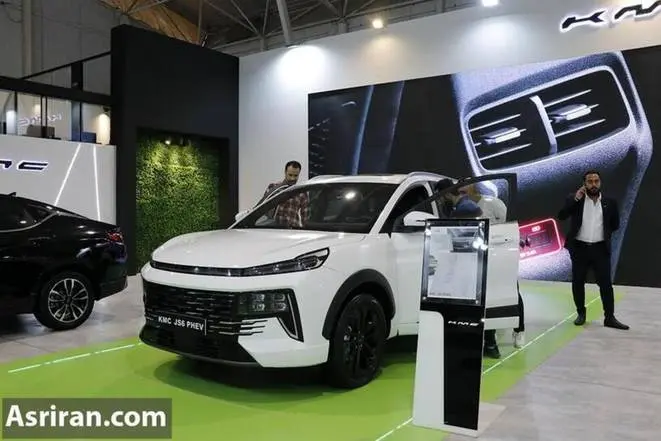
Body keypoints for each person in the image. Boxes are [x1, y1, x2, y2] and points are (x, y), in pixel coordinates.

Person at [557, 170, 628, 330]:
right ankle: (581, 314)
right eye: (590, 181)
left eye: (596, 181)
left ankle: (609, 317)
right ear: (584, 184)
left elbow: (615, 224)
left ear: (600, 183)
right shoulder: (575, 199)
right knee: (578, 283)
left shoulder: (610, 202)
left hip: (600, 249)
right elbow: (561, 215)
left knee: (606, 285)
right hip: (580, 248)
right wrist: (575, 199)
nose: (593, 184)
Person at [461, 183, 526, 355]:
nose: (462, 191)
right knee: (486, 297)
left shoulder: (492, 203)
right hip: (475, 256)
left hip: (499, 254)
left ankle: (519, 329)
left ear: (474, 187)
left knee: (512, 291)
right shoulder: (461, 207)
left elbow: (510, 226)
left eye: (465, 187)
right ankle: (490, 340)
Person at [263, 161, 310, 228]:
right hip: (273, 229)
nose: (292, 178)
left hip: (292, 230)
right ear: (285, 172)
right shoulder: (273, 187)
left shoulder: (302, 193)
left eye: (296, 176)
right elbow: (263, 209)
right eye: (290, 175)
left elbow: (305, 218)